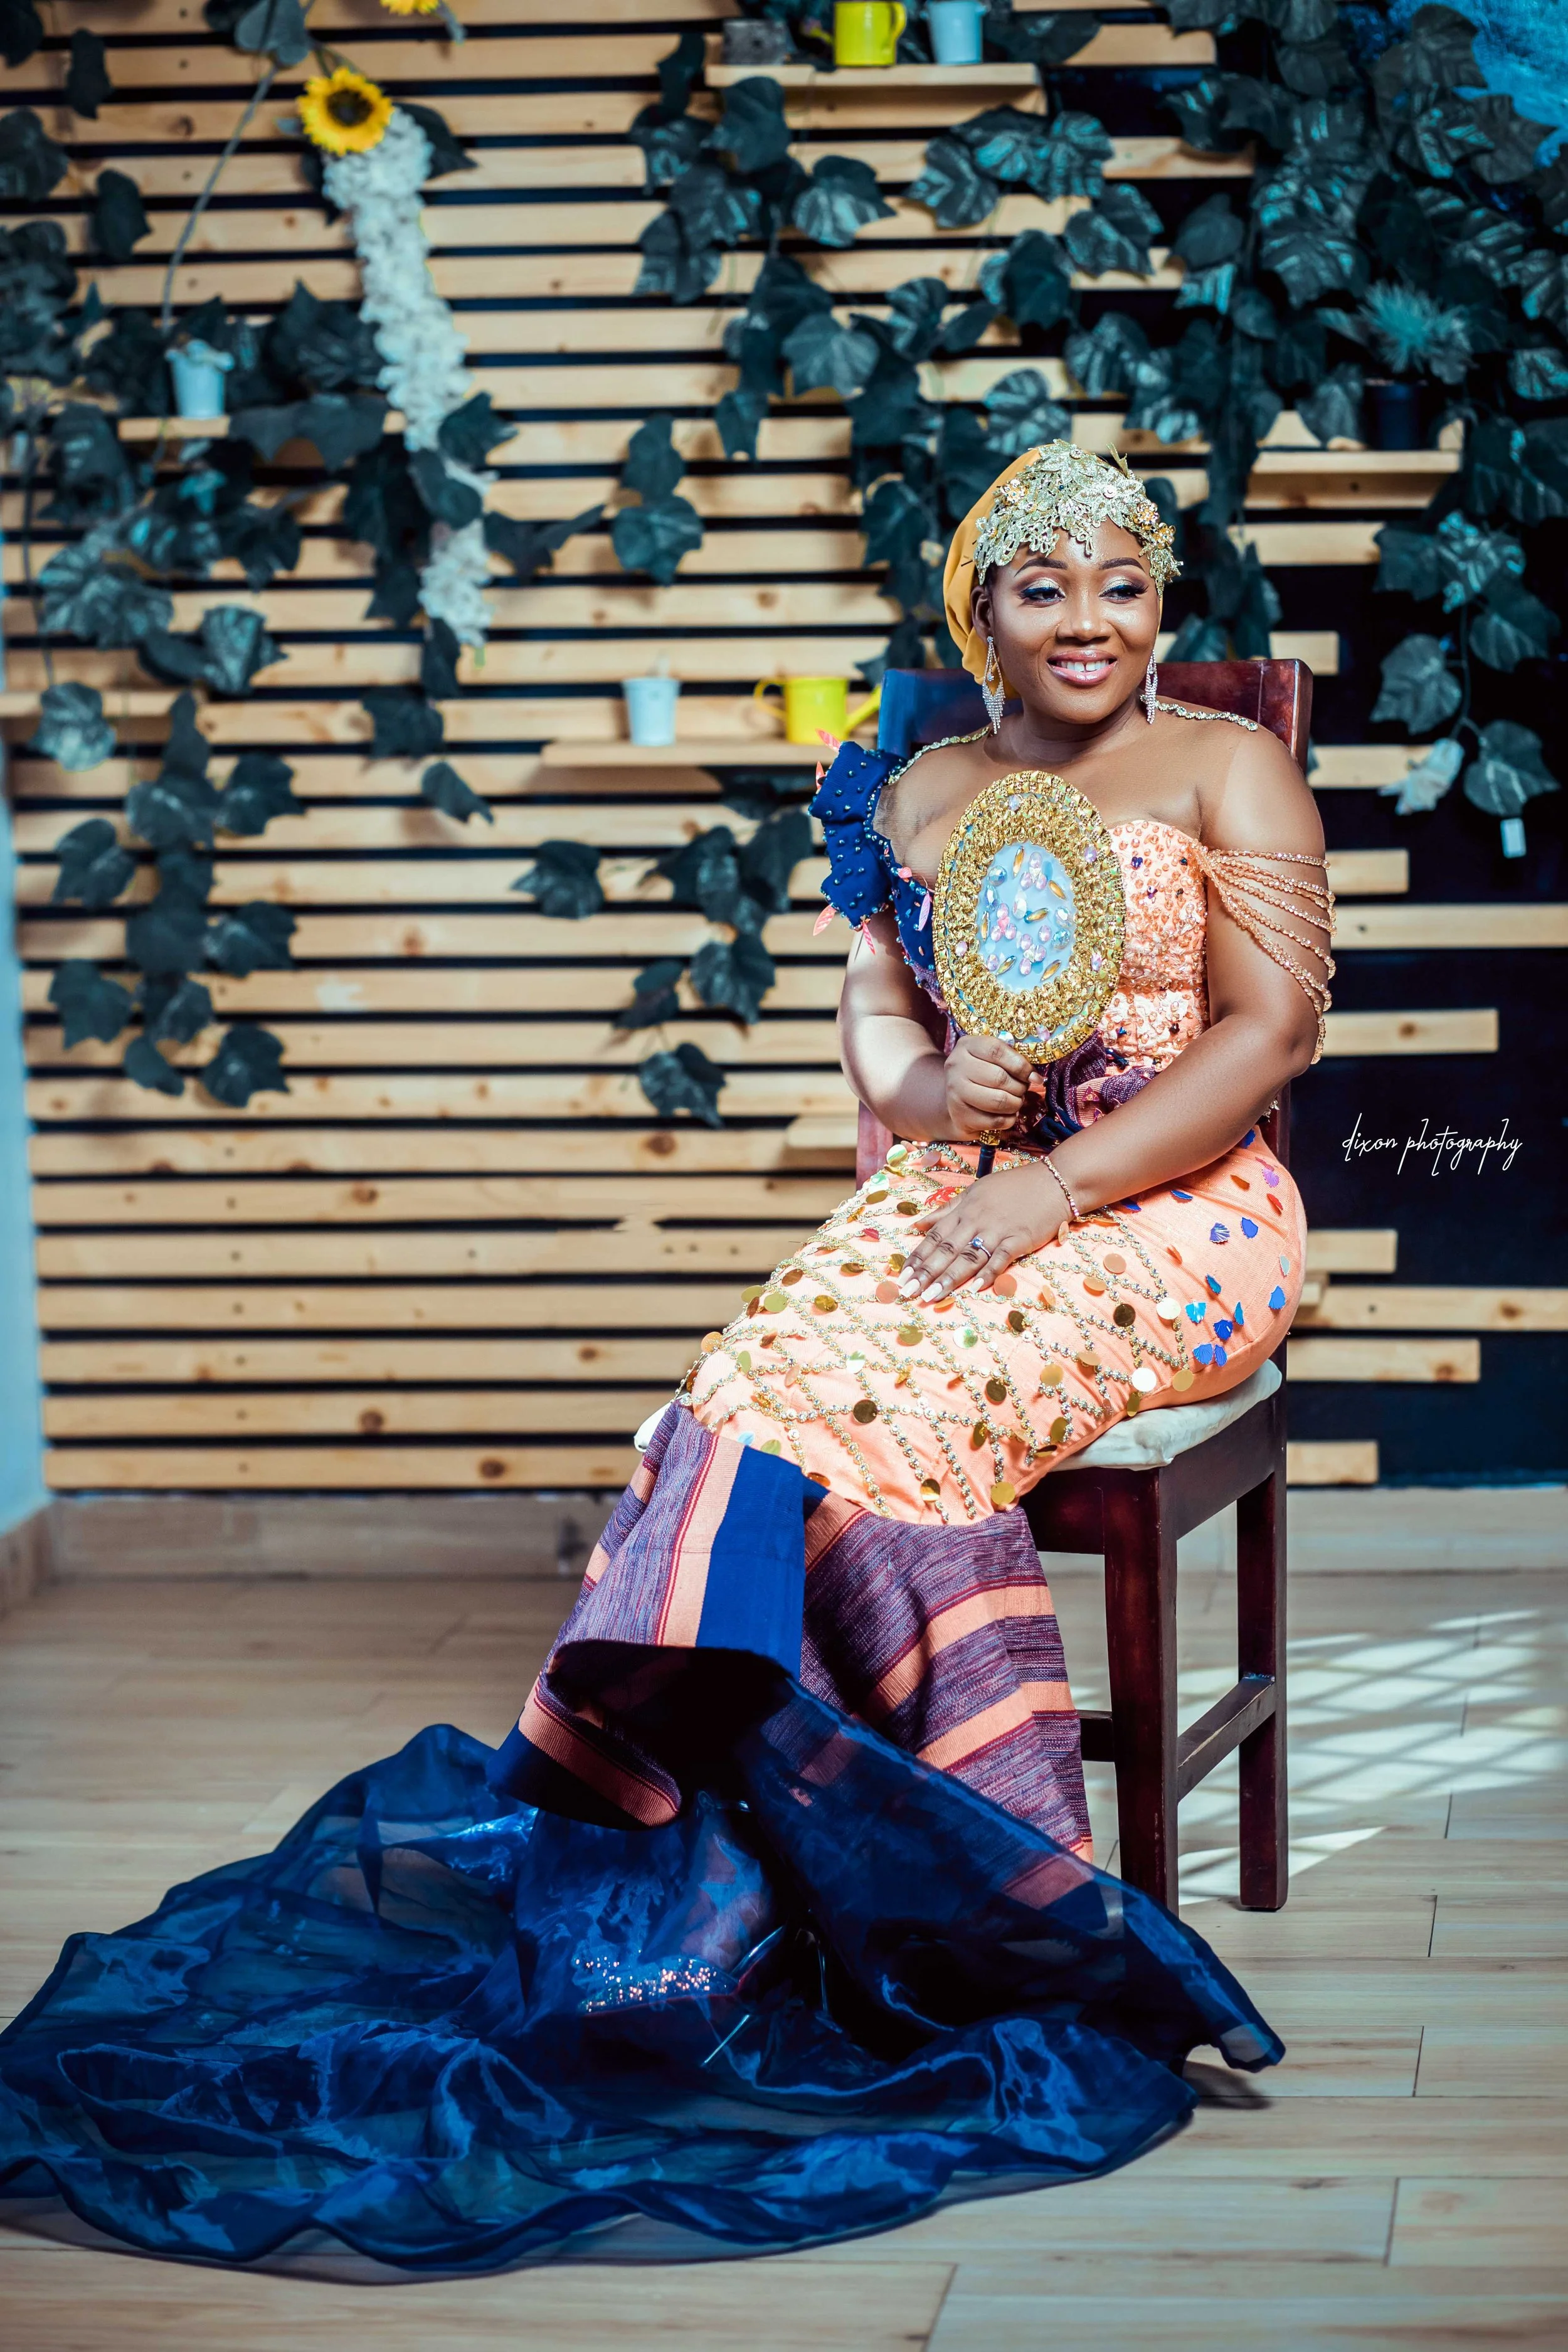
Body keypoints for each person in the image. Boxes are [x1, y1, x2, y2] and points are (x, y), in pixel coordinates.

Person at [0, 445, 1330, 2272]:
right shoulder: (916, 786)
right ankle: (734, 1893)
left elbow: (1273, 1035)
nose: (1088, 619)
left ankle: (973, 1913)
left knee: (893, 1413)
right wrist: (938, 1092)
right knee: (736, 1405)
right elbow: (878, 1020)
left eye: (1124, 583)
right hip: (960, 1180)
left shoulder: (1226, 763)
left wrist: (1059, 1184)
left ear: (1162, 603)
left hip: (1178, 1206)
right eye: (1045, 588)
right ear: (983, 615)